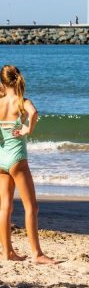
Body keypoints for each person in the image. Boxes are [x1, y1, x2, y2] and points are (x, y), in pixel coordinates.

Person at [0, 66, 56, 264]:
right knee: (31, 207)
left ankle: (8, 253)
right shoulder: (22, 102)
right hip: (17, 159)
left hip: (1, 158)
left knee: (4, 207)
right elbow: (34, 113)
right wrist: (26, 130)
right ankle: (37, 254)